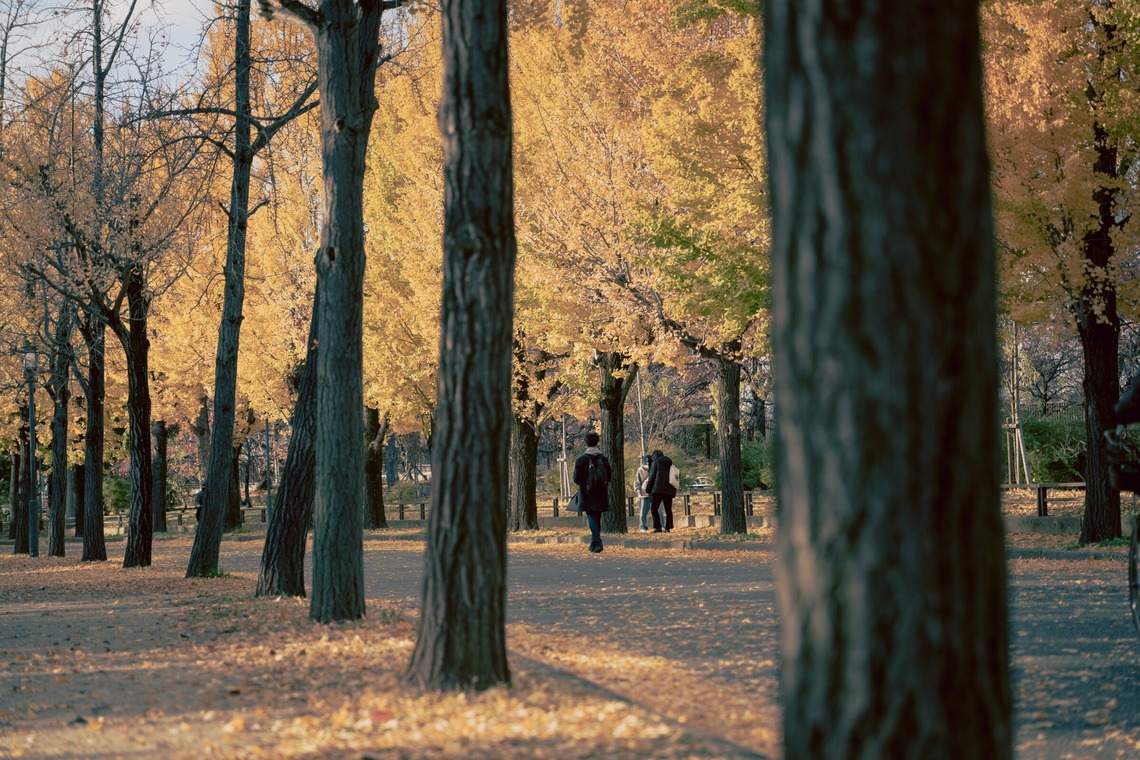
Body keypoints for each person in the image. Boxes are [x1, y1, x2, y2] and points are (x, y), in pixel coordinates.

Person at [573, 431, 612, 553]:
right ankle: (594, 543)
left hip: (587, 492)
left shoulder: (581, 460)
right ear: (597, 443)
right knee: (597, 516)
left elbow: (576, 479)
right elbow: (609, 476)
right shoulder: (603, 459)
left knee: (591, 516)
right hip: (601, 491)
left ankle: (597, 541)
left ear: (585, 443)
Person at [645, 449, 678, 532]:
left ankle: (657, 527)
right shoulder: (670, 464)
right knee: (668, 509)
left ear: (654, 456)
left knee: (654, 508)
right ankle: (668, 527)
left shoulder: (655, 463)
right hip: (669, 490)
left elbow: (652, 478)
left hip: (658, 490)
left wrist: (648, 490)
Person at [633, 454, 652, 532]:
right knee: (643, 512)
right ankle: (642, 526)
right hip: (644, 493)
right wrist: (638, 490)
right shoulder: (640, 470)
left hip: (653, 493)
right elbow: (637, 482)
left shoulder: (654, 468)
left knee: (658, 511)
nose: (647, 464)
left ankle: (660, 525)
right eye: (646, 462)